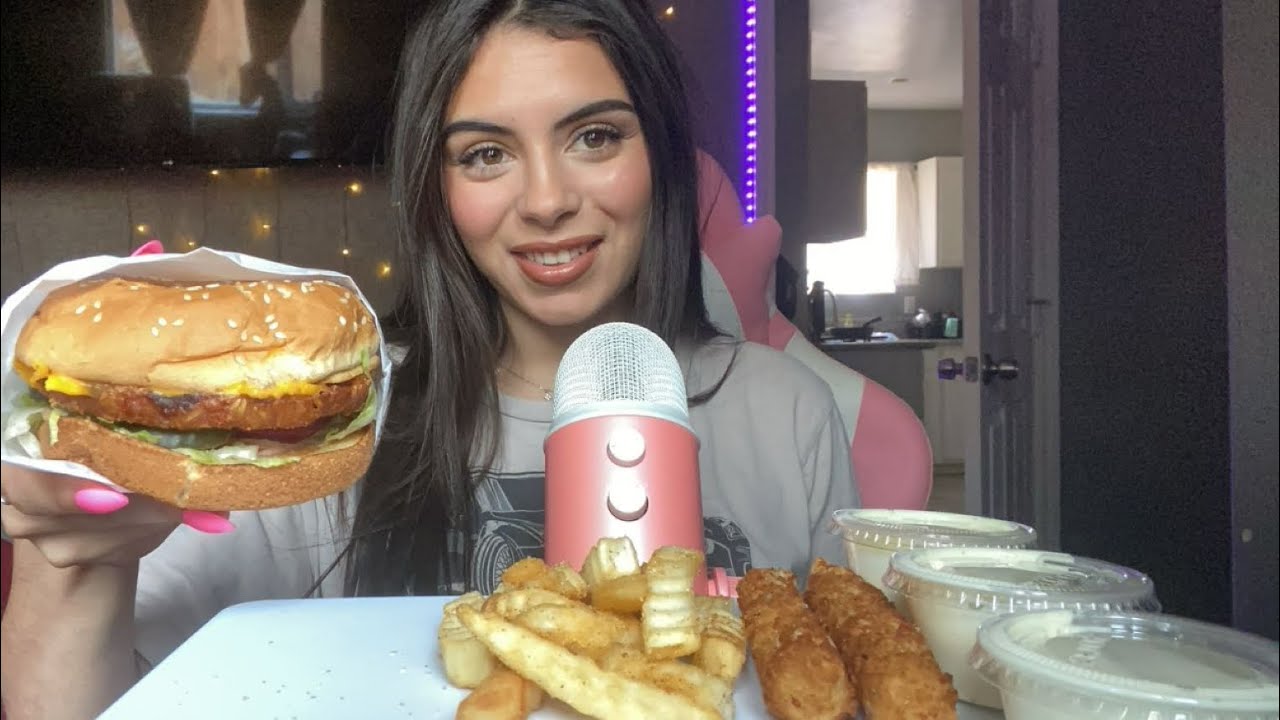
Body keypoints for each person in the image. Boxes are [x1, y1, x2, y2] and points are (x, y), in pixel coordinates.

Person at [0, 1, 859, 717]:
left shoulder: (791, 413)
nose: (547, 200)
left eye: (595, 136)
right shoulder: (322, 424)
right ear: (436, 188)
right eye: (485, 154)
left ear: (660, 157)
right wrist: (75, 555)